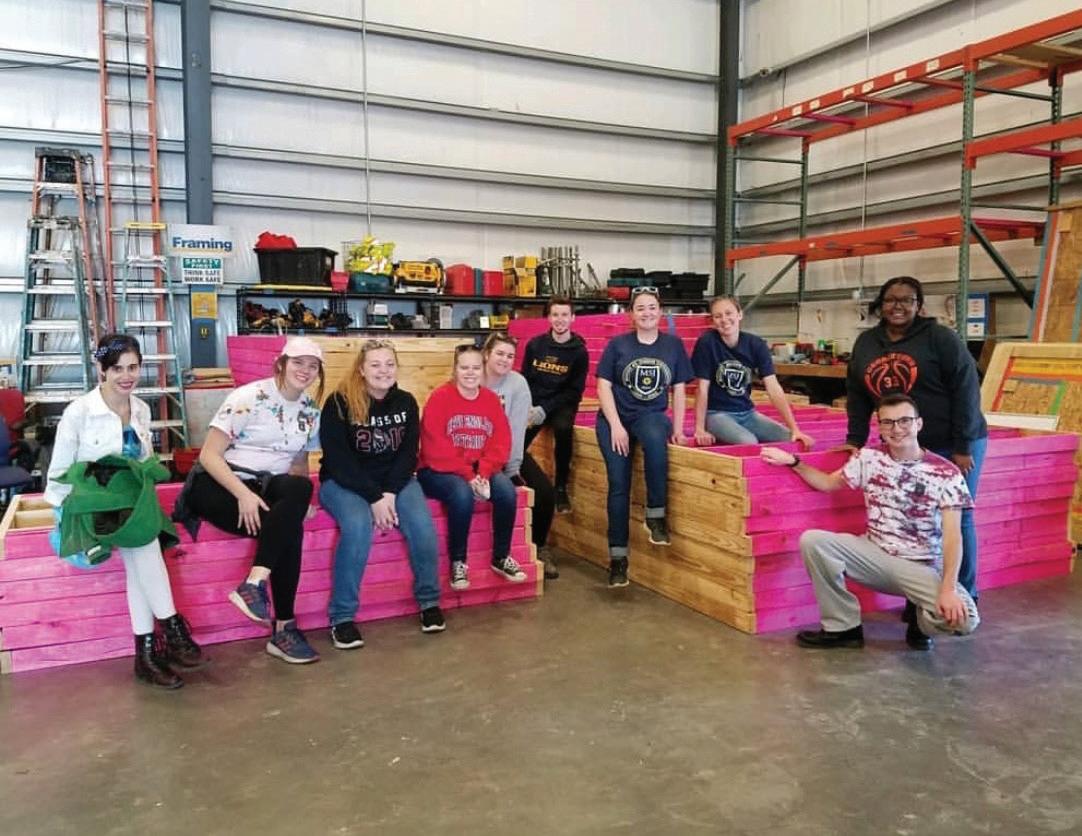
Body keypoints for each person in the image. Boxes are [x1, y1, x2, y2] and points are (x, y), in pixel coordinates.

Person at [45, 333, 204, 689]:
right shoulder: (79, 412)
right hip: (96, 504)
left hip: (132, 501)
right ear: (101, 369)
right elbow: (59, 471)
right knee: (145, 545)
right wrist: (63, 516)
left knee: (140, 561)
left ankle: (146, 656)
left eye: (133, 367)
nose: (126, 376)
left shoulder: (141, 409)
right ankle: (173, 628)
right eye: (117, 368)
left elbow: (144, 460)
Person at [761, 394, 980, 651]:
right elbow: (827, 483)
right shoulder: (868, 458)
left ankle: (921, 622)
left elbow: (953, 537)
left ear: (918, 424)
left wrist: (948, 589)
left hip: (921, 565)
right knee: (813, 541)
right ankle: (843, 628)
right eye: (888, 422)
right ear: (880, 427)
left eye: (904, 421)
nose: (896, 429)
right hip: (874, 554)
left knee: (966, 620)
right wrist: (794, 462)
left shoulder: (946, 472)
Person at [845, 276, 988, 600]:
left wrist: (963, 445)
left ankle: (965, 594)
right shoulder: (867, 342)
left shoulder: (940, 338)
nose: (897, 306)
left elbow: (967, 390)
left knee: (958, 516)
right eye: (890, 300)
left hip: (952, 442)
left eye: (906, 300)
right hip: (905, 444)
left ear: (919, 305)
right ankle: (923, 593)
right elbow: (857, 394)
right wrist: (855, 440)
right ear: (880, 305)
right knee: (913, 515)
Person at [190, 336, 323, 664]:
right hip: (220, 483)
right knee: (288, 530)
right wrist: (243, 494)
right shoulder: (249, 397)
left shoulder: (310, 409)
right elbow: (209, 456)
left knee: (299, 491)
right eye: (298, 362)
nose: (305, 370)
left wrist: (299, 503)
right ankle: (284, 628)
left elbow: (299, 463)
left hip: (266, 486)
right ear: (282, 363)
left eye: (312, 365)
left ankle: (254, 584)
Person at [318, 338, 444, 649]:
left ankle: (429, 602)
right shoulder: (339, 403)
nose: (383, 370)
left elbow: (407, 455)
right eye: (375, 364)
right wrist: (374, 497)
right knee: (358, 526)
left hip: (394, 482)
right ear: (361, 369)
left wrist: (388, 492)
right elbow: (339, 460)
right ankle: (342, 617)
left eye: (389, 364)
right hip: (344, 482)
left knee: (422, 527)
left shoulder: (406, 402)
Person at [595, 286, 694, 587]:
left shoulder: (673, 345)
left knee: (654, 441)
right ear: (631, 314)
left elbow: (679, 390)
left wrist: (678, 429)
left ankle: (655, 515)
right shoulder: (618, 345)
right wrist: (616, 425)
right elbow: (603, 386)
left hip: (650, 415)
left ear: (660, 312)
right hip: (615, 419)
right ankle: (618, 559)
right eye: (640, 308)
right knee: (618, 486)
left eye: (652, 307)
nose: (647, 313)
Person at [417, 344, 526, 591]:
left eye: (476, 368)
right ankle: (458, 561)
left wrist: (484, 472)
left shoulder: (490, 400)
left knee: (506, 491)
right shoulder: (440, 398)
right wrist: (469, 476)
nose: (470, 373)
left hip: (478, 468)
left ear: (483, 369)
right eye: (464, 367)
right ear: (455, 369)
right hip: (437, 469)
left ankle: (501, 556)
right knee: (461, 493)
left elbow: (501, 442)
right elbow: (435, 448)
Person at [691, 295, 813, 448]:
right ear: (712, 321)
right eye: (718, 316)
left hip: (747, 413)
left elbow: (773, 387)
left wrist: (795, 429)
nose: (724, 320)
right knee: (749, 443)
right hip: (717, 414)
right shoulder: (707, 343)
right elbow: (702, 389)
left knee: (789, 438)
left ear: (740, 314)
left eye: (728, 313)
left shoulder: (756, 344)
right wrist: (700, 428)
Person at [483, 332, 558, 580]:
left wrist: (513, 469)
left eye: (510, 356)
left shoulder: (518, 384)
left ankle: (539, 546)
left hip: (507, 453)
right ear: (487, 354)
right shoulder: (473, 376)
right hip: (474, 454)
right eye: (499, 353)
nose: (505, 360)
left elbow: (516, 430)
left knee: (545, 493)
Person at [522, 296, 589, 514]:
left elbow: (574, 391)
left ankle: (560, 488)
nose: (560, 319)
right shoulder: (535, 345)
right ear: (549, 318)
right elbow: (525, 379)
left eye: (564, 315)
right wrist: (528, 406)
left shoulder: (579, 352)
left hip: (562, 403)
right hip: (535, 402)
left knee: (563, 429)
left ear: (573, 318)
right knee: (518, 439)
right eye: (555, 315)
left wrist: (546, 408)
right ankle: (519, 479)